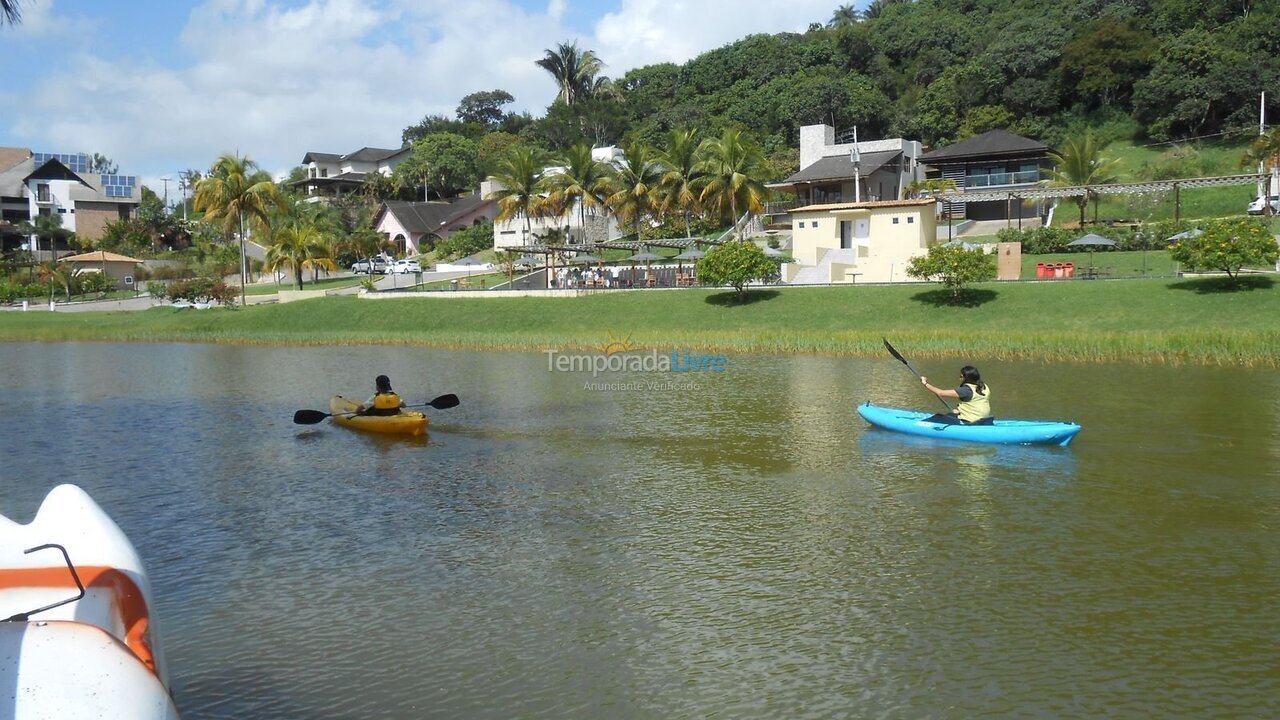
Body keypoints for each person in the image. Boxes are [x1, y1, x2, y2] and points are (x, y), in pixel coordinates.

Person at [920, 365, 993, 425]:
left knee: (938, 417)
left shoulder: (965, 390)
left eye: (961, 376)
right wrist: (960, 411)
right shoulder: (984, 386)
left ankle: (919, 424)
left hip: (970, 421)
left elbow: (940, 393)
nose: (959, 378)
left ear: (966, 378)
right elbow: (975, 402)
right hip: (983, 419)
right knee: (951, 414)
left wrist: (925, 383)